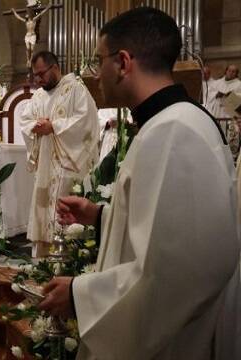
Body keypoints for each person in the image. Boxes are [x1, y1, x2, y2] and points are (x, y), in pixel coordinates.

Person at [41, 8, 240, 359]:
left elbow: (180, 272)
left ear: (122, 62)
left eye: (98, 60)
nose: (94, 73)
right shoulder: (167, 124)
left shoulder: (173, 132)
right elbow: (172, 230)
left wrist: (79, 295)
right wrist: (101, 216)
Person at [19, 51, 99, 257]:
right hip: (45, 164)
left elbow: (87, 121)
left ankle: (67, 260)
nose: (37, 79)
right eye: (34, 75)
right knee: (43, 212)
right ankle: (43, 260)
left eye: (41, 74)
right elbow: (25, 121)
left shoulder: (76, 89)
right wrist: (33, 127)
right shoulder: (37, 96)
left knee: (63, 212)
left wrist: (54, 126)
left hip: (68, 162)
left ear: (54, 68)